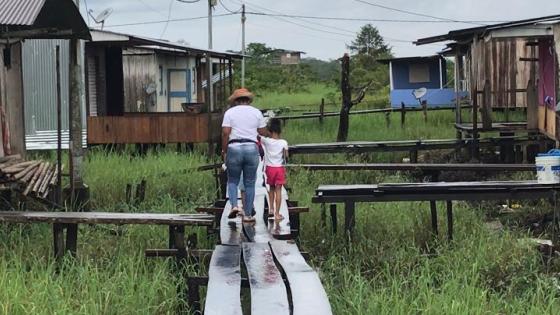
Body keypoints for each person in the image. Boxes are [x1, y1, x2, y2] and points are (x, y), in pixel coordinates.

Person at [221, 88, 267, 223]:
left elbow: (225, 133)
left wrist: (224, 151)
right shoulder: (256, 112)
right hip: (251, 148)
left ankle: (234, 206)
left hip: (234, 148)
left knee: (233, 180)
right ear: (248, 100)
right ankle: (248, 215)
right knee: (250, 183)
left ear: (235, 101)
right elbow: (262, 131)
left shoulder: (229, 113)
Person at [261, 118, 288, 221]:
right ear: (279, 130)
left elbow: (257, 136)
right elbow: (286, 155)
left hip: (269, 169)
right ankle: (277, 214)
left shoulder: (266, 141)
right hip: (279, 169)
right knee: (278, 190)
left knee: (271, 188)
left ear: (269, 131)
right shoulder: (283, 142)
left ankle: (271, 209)